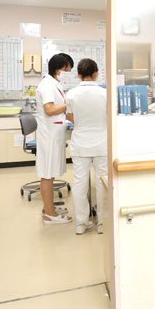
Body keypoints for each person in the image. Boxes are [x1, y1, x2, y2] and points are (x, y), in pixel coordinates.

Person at [65, 58, 107, 235]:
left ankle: (81, 224)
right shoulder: (105, 94)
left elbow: (70, 117)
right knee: (102, 182)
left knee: (80, 183)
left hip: (80, 143)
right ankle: (103, 223)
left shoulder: (71, 94)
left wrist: (82, 121)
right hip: (102, 143)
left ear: (79, 75)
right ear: (96, 74)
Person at [36, 52, 74, 225]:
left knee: (50, 173)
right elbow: (50, 110)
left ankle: (48, 207)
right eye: (67, 68)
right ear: (59, 67)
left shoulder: (53, 83)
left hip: (54, 133)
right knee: (47, 174)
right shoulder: (47, 85)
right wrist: (69, 104)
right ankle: (49, 215)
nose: (68, 72)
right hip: (49, 136)